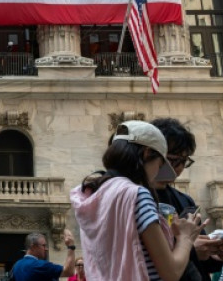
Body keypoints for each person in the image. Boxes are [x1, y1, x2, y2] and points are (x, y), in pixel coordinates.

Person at [71, 120, 205, 281]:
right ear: (147, 153)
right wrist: (186, 237)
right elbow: (171, 273)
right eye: (161, 164)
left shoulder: (95, 194)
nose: (158, 173)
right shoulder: (137, 195)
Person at [151, 118, 223, 281]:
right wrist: (190, 249)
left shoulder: (185, 201)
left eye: (183, 161)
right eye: (172, 159)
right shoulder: (134, 197)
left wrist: (216, 252)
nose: (178, 167)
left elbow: (204, 263)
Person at [10, 230, 76, 280]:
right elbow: (69, 271)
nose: (46, 249)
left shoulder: (16, 265)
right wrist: (71, 246)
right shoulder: (40, 265)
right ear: (33, 247)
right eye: (43, 245)